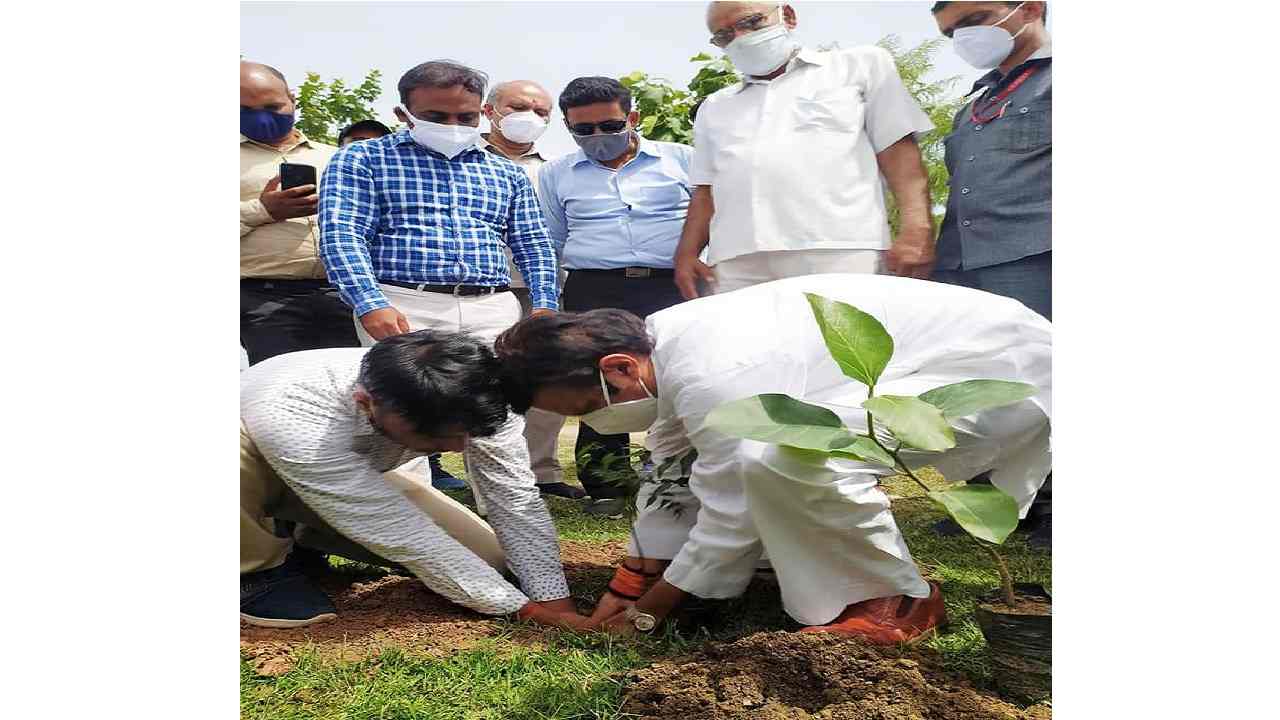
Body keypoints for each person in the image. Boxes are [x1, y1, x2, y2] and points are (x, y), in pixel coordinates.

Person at [494, 273, 1051, 642]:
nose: (593, 420)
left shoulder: (716, 369)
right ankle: (779, 570)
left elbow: (730, 500)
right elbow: (669, 466)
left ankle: (894, 599)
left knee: (784, 455)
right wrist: (635, 577)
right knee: (762, 456)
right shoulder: (664, 348)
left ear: (617, 367)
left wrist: (652, 609)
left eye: (588, 404)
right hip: (951, 357)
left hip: (996, 369)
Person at [318, 60, 559, 499]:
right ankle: (412, 544)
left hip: (492, 305)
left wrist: (544, 305)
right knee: (401, 424)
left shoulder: (504, 171)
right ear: (403, 114)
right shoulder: (362, 159)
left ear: (484, 112)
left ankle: (520, 547)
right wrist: (369, 302)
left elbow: (533, 243)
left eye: (465, 117)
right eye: (436, 117)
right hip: (403, 302)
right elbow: (342, 233)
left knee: (498, 424)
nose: (452, 125)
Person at [240, 331, 589, 630]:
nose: (458, 448)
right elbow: (403, 533)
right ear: (366, 403)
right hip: (256, 473)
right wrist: (522, 610)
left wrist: (555, 603)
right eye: (439, 440)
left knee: (490, 563)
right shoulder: (294, 410)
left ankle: (303, 539)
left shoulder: (484, 394)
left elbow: (513, 500)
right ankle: (252, 571)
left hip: (337, 481)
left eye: (467, 434)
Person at [673, 2, 937, 300]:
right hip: (737, 260)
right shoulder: (715, 106)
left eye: (751, 22)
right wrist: (687, 253)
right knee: (750, 346)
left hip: (839, 249)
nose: (740, 37)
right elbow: (706, 190)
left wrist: (918, 227)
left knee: (843, 345)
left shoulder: (859, 66)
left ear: (787, 16)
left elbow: (898, 153)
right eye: (724, 36)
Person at [537, 76, 695, 516]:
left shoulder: (684, 160)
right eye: (582, 130)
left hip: (673, 283)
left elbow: (708, 225)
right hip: (595, 286)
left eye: (608, 126)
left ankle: (684, 475)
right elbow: (551, 240)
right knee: (600, 382)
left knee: (681, 375)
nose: (597, 138)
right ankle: (606, 483)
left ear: (633, 118)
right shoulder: (555, 173)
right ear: (568, 128)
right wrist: (548, 302)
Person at [479, 79, 582, 501]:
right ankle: (484, 476)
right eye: (519, 107)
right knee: (481, 381)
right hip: (482, 289)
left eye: (542, 112)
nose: (531, 117)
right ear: (489, 111)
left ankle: (542, 471)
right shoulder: (462, 160)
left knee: (545, 380)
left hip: (543, 293)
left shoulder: (555, 168)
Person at [930, 2, 1051, 321]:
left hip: (1035, 263)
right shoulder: (970, 110)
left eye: (975, 20)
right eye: (951, 33)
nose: (964, 36)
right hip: (956, 271)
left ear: (1030, 9)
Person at [240, 61, 359, 365]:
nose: (262, 117)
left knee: (352, 383)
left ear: (292, 99)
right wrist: (263, 210)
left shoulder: (336, 156)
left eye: (272, 106)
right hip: (266, 299)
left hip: (344, 293)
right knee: (278, 387)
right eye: (245, 109)